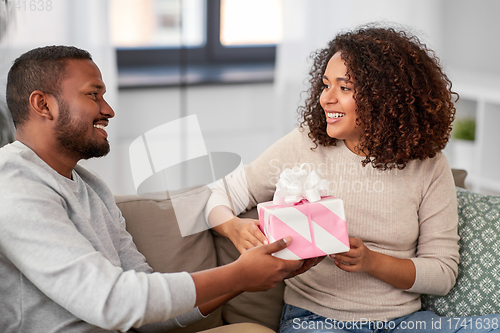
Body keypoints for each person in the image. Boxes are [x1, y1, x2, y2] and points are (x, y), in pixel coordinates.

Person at [0, 45, 322, 333]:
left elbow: (149, 313)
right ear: (43, 104)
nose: (108, 110)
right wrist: (239, 275)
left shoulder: (90, 187)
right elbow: (114, 302)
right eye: (93, 95)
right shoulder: (14, 184)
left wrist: (255, 274)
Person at [205, 25, 500, 332]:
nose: (326, 99)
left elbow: (442, 273)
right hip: (317, 321)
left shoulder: (429, 166)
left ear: (385, 99)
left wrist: (371, 262)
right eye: (325, 85)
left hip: (404, 323)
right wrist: (233, 228)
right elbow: (217, 195)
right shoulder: (305, 144)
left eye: (344, 88)